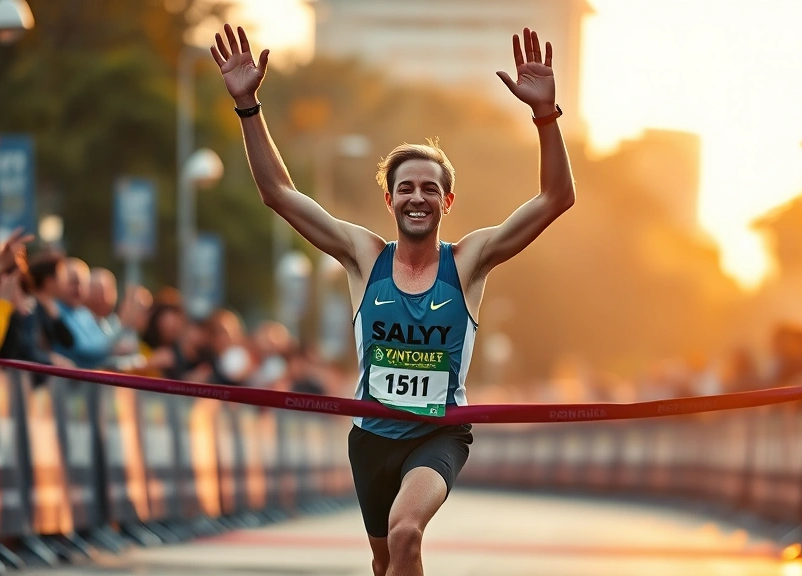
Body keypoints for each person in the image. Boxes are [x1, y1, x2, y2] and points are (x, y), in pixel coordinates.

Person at [211, 23, 575, 576]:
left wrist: (545, 117)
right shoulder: (364, 256)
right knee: (386, 562)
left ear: (447, 201)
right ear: (389, 199)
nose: (417, 197)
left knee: (407, 532)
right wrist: (248, 107)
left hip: (438, 435)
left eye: (430, 188)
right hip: (370, 438)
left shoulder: (468, 261)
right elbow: (278, 193)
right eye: (406, 187)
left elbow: (555, 198)